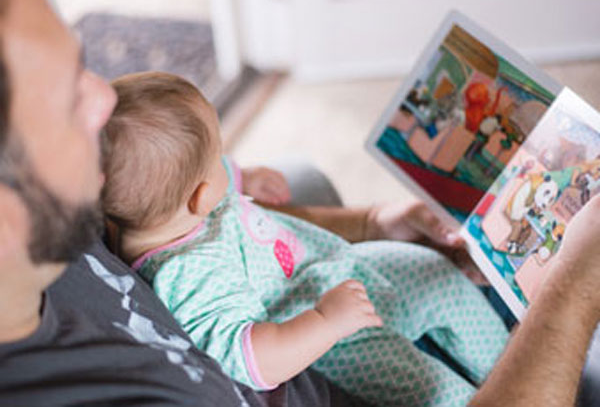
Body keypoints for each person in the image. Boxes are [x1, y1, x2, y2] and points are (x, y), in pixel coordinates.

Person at [0, 0, 598, 406]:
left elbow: (227, 223)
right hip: (362, 353)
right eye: (65, 98)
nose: (102, 95)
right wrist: (576, 285)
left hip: (339, 279)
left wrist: (369, 222)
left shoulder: (79, 200)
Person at [101, 71, 509, 406]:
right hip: (339, 339)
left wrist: (245, 175)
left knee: (434, 270)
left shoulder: (169, 207)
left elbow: (202, 176)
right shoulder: (188, 274)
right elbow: (251, 357)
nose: (226, 162)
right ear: (200, 196)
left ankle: (509, 368)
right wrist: (325, 322)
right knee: (437, 394)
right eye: (218, 157)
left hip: (338, 266)